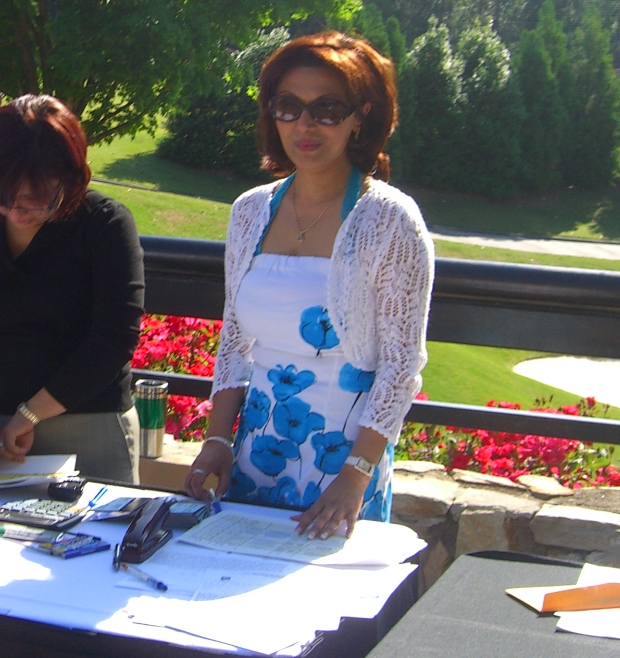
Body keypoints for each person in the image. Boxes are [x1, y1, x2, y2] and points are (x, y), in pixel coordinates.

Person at [184, 32, 434, 538]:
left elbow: (401, 366)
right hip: (256, 458)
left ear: (360, 115)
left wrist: (356, 474)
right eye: (288, 106)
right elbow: (234, 339)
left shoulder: (389, 220)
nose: (304, 124)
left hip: (342, 472)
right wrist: (217, 440)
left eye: (327, 108)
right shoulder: (250, 211)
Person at [0, 95, 144, 481]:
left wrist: (33, 413)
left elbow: (115, 339)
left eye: (37, 198)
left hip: (88, 424)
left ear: (70, 176)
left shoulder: (105, 225)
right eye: (3, 194)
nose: (17, 210)